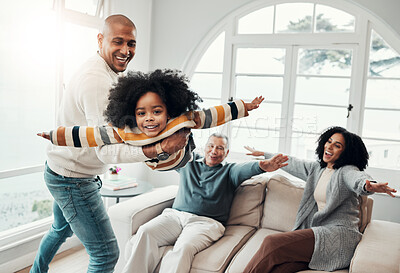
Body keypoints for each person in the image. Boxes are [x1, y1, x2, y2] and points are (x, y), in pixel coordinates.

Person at [30, 15, 189, 273]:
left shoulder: (108, 72)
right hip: (73, 179)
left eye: (132, 43)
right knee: (105, 254)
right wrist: (159, 149)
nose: (126, 51)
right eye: (118, 42)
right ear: (101, 39)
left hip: (61, 168)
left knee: (60, 230)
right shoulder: (97, 82)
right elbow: (106, 150)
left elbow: (118, 128)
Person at [120, 133, 289, 273]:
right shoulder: (188, 161)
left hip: (206, 223)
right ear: (205, 146)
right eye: (211, 146)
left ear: (227, 152)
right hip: (175, 216)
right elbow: (173, 149)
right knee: (145, 232)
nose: (214, 151)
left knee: (184, 247)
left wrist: (263, 165)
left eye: (220, 148)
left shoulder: (229, 171)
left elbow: (245, 169)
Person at [38, 69, 264, 171]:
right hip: (154, 160)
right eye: (142, 113)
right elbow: (89, 135)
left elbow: (211, 115)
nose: (150, 119)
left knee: (194, 125)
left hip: (181, 156)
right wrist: (55, 136)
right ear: (132, 114)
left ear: (169, 111)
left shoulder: (179, 120)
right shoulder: (126, 130)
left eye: (157, 111)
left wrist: (243, 106)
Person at [243, 126, 397, 273]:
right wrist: (265, 154)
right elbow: (292, 162)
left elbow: (358, 179)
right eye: (328, 141)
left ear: (346, 152)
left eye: (337, 145)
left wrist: (370, 186)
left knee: (272, 242)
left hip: (339, 236)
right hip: (320, 232)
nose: (329, 147)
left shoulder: (346, 171)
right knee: (279, 269)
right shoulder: (317, 169)